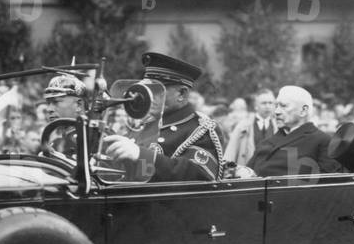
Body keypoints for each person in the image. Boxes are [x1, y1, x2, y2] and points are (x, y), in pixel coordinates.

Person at [103, 52, 225, 181]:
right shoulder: (141, 124)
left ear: (182, 94)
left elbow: (198, 175)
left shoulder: (200, 129)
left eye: (156, 90)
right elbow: (122, 172)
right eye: (146, 88)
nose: (147, 95)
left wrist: (142, 155)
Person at [244, 86, 341, 177]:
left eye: (284, 106)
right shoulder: (266, 143)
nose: (276, 111)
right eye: (276, 106)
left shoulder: (323, 141)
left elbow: (328, 187)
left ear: (303, 110)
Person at [224, 88, 276, 166]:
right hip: (248, 172)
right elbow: (230, 152)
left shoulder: (279, 127)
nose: (267, 106)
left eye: (270, 103)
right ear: (256, 106)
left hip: (272, 171)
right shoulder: (243, 126)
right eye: (264, 103)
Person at [40, 73, 87, 157]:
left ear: (78, 105)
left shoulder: (96, 138)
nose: (49, 109)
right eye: (48, 103)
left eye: (56, 102)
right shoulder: (56, 143)